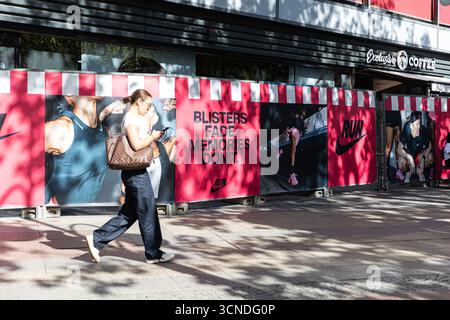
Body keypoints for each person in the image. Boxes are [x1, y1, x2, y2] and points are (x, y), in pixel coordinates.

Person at [85, 89, 175, 264]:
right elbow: (136, 145)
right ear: (138, 102)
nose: (149, 107)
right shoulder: (131, 119)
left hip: (136, 172)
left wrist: (149, 123)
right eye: (147, 104)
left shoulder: (135, 117)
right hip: (136, 174)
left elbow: (144, 132)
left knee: (129, 214)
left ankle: (96, 239)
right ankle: (153, 253)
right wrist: (153, 137)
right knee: (148, 211)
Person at [45, 96, 108, 204]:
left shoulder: (103, 131)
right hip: (58, 217)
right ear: (69, 95)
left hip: (87, 214)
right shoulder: (60, 128)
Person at [397, 111, 432, 184]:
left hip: (419, 156)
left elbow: (429, 146)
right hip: (409, 155)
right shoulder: (407, 130)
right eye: (417, 124)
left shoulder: (423, 130)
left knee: (430, 158)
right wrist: (409, 157)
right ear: (411, 125)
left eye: (419, 124)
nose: (418, 127)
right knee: (401, 162)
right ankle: (407, 173)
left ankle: (423, 173)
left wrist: (423, 157)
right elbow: (399, 149)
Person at [286, 110, 307, 186]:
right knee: (293, 150)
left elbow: (303, 129)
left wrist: (304, 127)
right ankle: (292, 168)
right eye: (304, 111)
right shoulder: (298, 117)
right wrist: (289, 129)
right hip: (295, 132)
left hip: (297, 133)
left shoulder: (302, 120)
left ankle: (291, 175)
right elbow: (293, 122)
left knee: (294, 150)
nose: (305, 113)